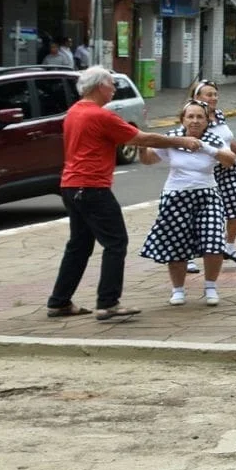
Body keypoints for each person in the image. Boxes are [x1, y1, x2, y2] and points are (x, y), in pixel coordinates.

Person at [46, 67, 204, 320]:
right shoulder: (100, 115)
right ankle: (108, 303)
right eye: (111, 84)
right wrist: (181, 141)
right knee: (116, 242)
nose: (114, 89)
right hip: (92, 187)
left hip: (71, 186)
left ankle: (59, 301)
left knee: (79, 245)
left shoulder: (74, 112)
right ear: (100, 87)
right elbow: (141, 138)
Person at [138, 100, 236, 307]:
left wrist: (206, 148)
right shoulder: (172, 138)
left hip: (207, 196)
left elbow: (230, 161)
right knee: (177, 245)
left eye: (200, 117)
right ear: (182, 120)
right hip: (176, 196)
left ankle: (210, 287)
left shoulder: (214, 139)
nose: (195, 121)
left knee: (214, 242)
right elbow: (148, 160)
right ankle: (178, 290)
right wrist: (141, 147)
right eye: (190, 116)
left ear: (206, 121)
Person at [191, 81, 236, 265]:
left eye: (215, 94)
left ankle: (229, 247)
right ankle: (188, 257)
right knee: (198, 215)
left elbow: (229, 140)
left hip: (227, 170)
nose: (213, 98)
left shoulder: (218, 115)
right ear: (197, 97)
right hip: (205, 172)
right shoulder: (195, 118)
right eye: (208, 94)